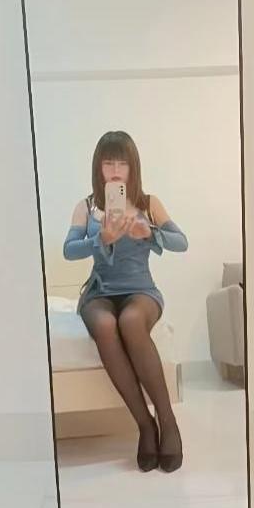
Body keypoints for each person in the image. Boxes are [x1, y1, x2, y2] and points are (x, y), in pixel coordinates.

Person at [62, 130, 188, 472]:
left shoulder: (148, 203)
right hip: (100, 292)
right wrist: (99, 238)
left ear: (133, 167)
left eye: (122, 164)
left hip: (140, 290)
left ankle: (167, 421)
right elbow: (69, 250)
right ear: (98, 168)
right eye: (108, 164)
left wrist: (150, 232)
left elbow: (181, 242)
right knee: (106, 324)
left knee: (131, 321)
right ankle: (145, 425)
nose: (115, 172)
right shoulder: (87, 207)